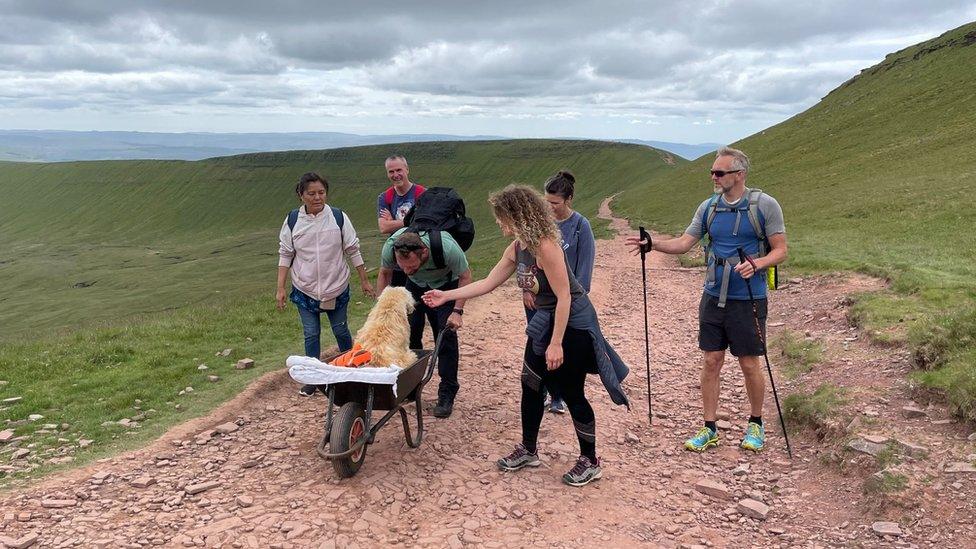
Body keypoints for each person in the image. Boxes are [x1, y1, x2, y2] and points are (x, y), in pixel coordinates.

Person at [423, 185, 629, 487]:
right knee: (531, 383)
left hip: (572, 324)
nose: (497, 222)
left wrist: (557, 343)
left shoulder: (546, 246)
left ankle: (590, 460)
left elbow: (565, 297)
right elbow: (488, 283)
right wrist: (446, 295)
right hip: (546, 323)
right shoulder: (518, 246)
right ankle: (529, 450)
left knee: (571, 390)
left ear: (517, 215)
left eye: (501, 216)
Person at [626, 146, 787, 453]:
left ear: (739, 175)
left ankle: (756, 424)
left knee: (749, 363)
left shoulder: (764, 205)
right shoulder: (709, 207)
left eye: (719, 172)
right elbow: (686, 242)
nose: (713, 177)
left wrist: (757, 264)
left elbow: (781, 250)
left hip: (749, 296)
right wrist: (653, 244)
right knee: (711, 360)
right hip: (713, 295)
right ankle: (709, 427)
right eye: (712, 171)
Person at [277, 172, 376, 396]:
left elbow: (353, 249)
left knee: (341, 330)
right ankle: (314, 379)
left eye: (321, 192)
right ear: (301, 195)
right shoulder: (293, 220)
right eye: (311, 193)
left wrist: (364, 280)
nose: (317, 198)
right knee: (311, 333)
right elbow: (285, 253)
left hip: (336, 285)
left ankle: (353, 370)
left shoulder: (338, 217)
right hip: (305, 287)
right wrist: (280, 288)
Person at [376, 229, 472, 418]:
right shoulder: (391, 247)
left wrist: (457, 311)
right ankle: (410, 385)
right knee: (409, 334)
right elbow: (385, 274)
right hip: (416, 286)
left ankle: (447, 392)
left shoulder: (447, 248)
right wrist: (381, 310)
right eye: (402, 267)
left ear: (424, 252)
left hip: (446, 286)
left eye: (411, 266)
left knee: (445, 336)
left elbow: (466, 277)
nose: (406, 270)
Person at [526, 170, 596, 414]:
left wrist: (571, 297)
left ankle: (560, 395)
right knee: (538, 346)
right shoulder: (540, 224)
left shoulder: (580, 226)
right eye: (546, 202)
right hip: (538, 301)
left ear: (568, 200)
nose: (550, 208)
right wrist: (527, 289)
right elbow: (527, 259)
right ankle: (542, 391)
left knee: (560, 347)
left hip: (566, 301)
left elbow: (584, 270)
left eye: (554, 203)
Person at [377, 155, 425, 288]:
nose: (395, 175)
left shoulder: (422, 193)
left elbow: (424, 225)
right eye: (391, 171)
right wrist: (409, 221)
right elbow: (383, 227)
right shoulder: (385, 197)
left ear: (407, 170)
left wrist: (393, 222)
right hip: (397, 260)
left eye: (399, 170)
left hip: (418, 258)